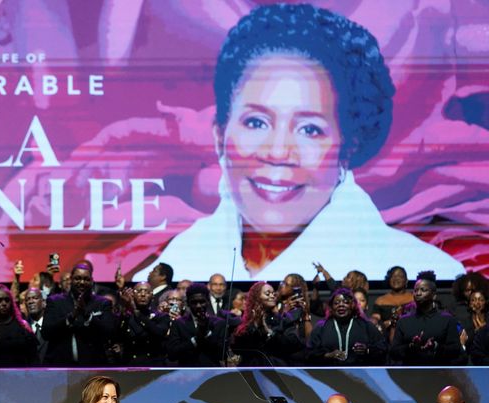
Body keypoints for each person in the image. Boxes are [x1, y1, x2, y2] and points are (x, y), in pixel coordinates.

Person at [135, 3, 464, 281]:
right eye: (256, 122)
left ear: (347, 147)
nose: (278, 152)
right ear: (219, 134)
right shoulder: (179, 263)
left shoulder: (425, 274)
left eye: (310, 129)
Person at [41, 262, 116, 366]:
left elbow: (109, 333)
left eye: (86, 279)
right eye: (78, 278)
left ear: (92, 281)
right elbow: (46, 333)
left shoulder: (102, 303)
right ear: (71, 280)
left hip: (93, 366)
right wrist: (70, 318)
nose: (82, 282)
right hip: (60, 366)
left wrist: (88, 316)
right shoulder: (55, 302)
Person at [389, 271, 463, 365]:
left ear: (434, 295)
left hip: (440, 374)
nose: (418, 293)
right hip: (410, 375)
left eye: (423, 290)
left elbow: (455, 350)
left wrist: (436, 347)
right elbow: (393, 352)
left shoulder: (448, 320)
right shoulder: (403, 321)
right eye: (415, 290)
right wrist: (410, 347)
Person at [230, 282, 304, 366]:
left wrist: (269, 332)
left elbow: (294, 344)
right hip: (251, 370)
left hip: (276, 368)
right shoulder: (247, 321)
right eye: (267, 294)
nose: (272, 296)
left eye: (273, 293)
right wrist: (255, 325)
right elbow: (236, 347)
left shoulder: (281, 320)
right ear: (257, 297)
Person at [306, 289, 387, 366]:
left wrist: (368, 350)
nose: (341, 305)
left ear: (352, 305)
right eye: (336, 303)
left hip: (361, 375)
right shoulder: (321, 327)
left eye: (345, 302)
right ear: (331, 307)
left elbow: (383, 348)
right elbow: (309, 353)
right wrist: (327, 355)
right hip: (328, 376)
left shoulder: (366, 326)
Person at [166, 283, 230, 367]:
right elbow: (172, 355)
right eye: (194, 302)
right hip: (187, 373)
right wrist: (195, 340)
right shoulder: (179, 324)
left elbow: (222, 354)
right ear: (188, 303)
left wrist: (206, 333)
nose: (198, 306)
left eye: (202, 302)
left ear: (208, 301)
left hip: (212, 373)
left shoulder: (219, 324)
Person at [118, 282, 170, 366]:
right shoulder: (126, 316)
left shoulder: (161, 317)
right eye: (139, 291)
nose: (142, 294)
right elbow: (117, 335)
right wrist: (125, 308)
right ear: (132, 295)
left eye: (146, 292)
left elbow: (158, 332)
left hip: (153, 365)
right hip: (130, 364)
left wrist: (135, 310)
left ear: (152, 296)